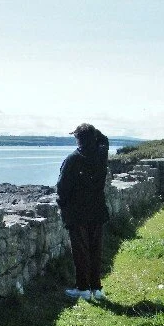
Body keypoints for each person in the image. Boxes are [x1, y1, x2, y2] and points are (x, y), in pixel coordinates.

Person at [56, 123, 110, 300]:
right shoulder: (101, 155)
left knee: (81, 251)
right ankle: (96, 288)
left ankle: (83, 289)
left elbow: (62, 187)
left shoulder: (73, 159)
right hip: (97, 210)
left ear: (78, 139)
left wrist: (62, 204)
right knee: (96, 250)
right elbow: (105, 140)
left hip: (77, 213)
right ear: (94, 138)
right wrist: (94, 133)